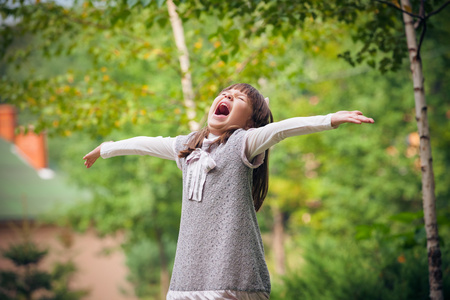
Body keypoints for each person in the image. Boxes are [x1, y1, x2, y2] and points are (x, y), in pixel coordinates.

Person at [83, 83, 374, 300]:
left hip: (234, 273)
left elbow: (282, 129)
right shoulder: (188, 147)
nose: (227, 98)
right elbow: (147, 144)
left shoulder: (243, 143)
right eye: (225, 93)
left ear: (250, 121)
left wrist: (329, 119)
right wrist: (106, 149)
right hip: (188, 276)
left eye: (238, 98)